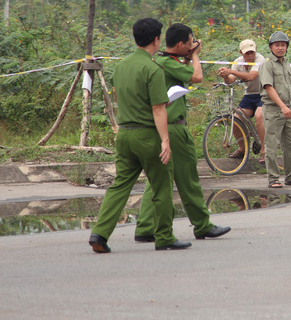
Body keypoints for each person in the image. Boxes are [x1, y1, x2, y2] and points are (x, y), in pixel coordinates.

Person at [88, 18, 190, 253]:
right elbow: (158, 108)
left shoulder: (122, 65)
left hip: (124, 135)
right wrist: (165, 140)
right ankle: (164, 236)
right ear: (156, 40)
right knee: (162, 184)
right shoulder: (152, 68)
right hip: (146, 135)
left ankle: (100, 233)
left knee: (120, 185)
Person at [135, 23, 230, 243]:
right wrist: (195, 56)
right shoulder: (167, 62)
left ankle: (146, 226)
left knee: (157, 180)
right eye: (190, 41)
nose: (192, 43)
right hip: (174, 128)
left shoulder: (160, 60)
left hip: (158, 127)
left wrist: (187, 56)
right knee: (188, 179)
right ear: (180, 44)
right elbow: (197, 77)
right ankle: (202, 225)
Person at [259, 31, 291, 188]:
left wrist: (288, 107)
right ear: (271, 47)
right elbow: (268, 87)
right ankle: (273, 178)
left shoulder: (286, 63)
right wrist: (282, 106)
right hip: (274, 109)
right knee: (272, 145)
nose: (280, 48)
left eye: (283, 45)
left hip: (289, 108)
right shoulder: (267, 64)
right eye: (277, 45)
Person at [216, 39, 267, 163]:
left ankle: (264, 151)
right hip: (249, 95)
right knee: (236, 118)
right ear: (241, 53)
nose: (250, 56)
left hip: (263, 93)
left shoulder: (260, 59)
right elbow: (231, 80)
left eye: (252, 52)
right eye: (247, 53)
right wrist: (225, 76)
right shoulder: (238, 62)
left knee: (259, 116)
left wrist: (231, 71)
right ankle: (243, 149)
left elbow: (251, 76)